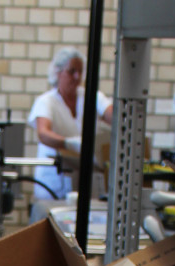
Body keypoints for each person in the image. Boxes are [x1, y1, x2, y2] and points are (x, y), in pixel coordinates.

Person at [27, 46, 114, 200]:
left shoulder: (91, 97)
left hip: (84, 180)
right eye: (71, 71)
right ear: (58, 72)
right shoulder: (46, 102)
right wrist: (68, 143)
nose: (77, 76)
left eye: (80, 71)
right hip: (53, 181)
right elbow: (43, 133)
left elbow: (114, 117)